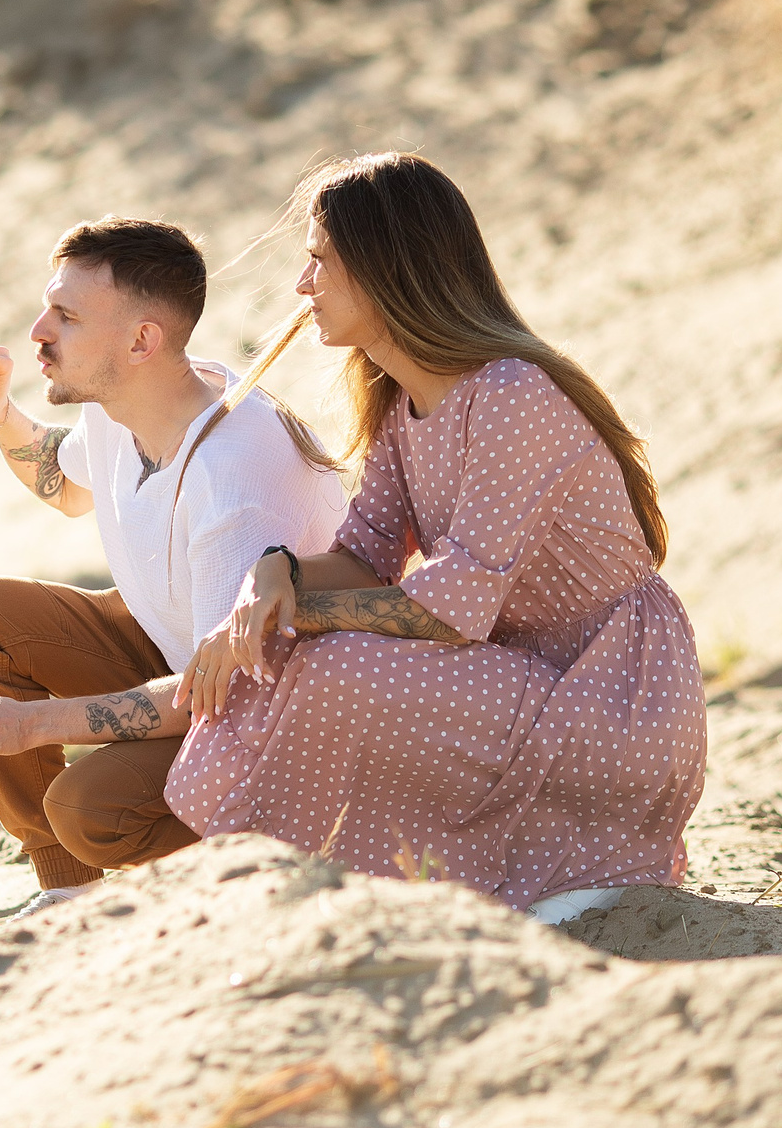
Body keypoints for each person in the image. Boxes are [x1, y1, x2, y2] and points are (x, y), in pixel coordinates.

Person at [165, 154, 708, 921]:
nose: (301, 285)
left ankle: (308, 888)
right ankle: (297, 886)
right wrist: (271, 574)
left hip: (613, 697)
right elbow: (363, 556)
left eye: (319, 260)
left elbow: (451, 609)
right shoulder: (400, 405)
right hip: (520, 673)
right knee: (299, 649)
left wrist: (291, 616)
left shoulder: (511, 394)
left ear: (386, 266)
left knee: (331, 661)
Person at [0, 218, 349, 916]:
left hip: (278, 720)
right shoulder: (128, 399)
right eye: (46, 307)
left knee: (91, 808)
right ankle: (64, 895)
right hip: (186, 652)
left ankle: (256, 864)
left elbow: (225, 692)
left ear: (141, 340)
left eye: (65, 315)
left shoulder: (235, 475)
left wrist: (26, 726)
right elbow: (65, 486)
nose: (37, 331)